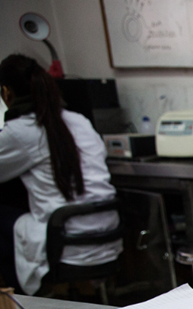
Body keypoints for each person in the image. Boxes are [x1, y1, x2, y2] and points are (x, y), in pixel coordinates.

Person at [0, 54, 120, 296]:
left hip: (68, 242)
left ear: (6, 92)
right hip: (108, 237)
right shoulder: (79, 121)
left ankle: (18, 307)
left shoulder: (21, 131)